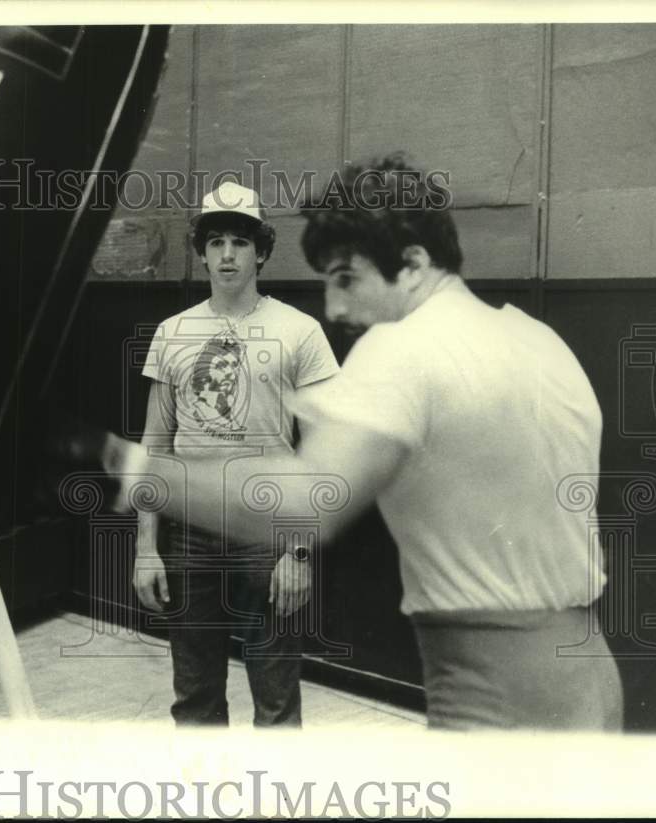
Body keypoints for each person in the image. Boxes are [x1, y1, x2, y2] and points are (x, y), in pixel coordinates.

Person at [108, 154, 623, 731]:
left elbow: (308, 499)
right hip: (589, 672)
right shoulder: (537, 338)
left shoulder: (402, 348)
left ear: (412, 263)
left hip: (492, 689)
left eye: (346, 278)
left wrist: (115, 462)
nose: (335, 307)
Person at [133, 180, 340, 727]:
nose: (227, 254)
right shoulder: (172, 333)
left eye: (241, 242)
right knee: (195, 699)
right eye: (216, 241)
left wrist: (298, 556)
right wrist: (145, 549)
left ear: (262, 251)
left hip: (266, 534)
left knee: (275, 701)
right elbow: (154, 447)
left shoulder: (301, 331)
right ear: (201, 252)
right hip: (191, 534)